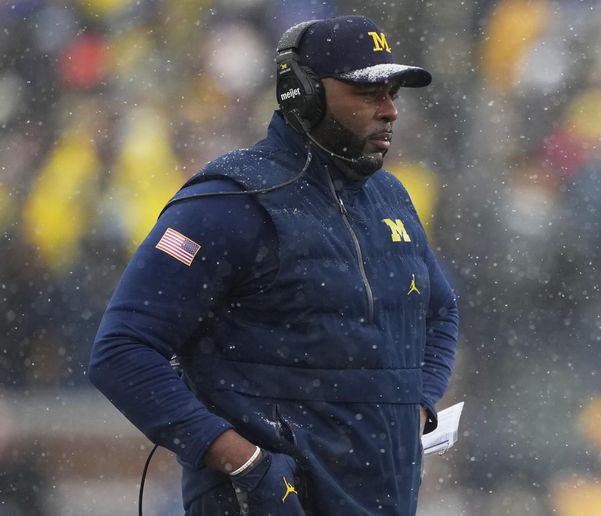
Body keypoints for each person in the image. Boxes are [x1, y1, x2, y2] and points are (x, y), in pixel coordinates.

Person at [89, 15, 459, 516]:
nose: (390, 111)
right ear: (302, 93)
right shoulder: (227, 200)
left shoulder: (391, 197)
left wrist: (414, 408)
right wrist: (244, 462)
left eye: (393, 92)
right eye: (368, 92)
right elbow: (122, 351)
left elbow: (439, 313)